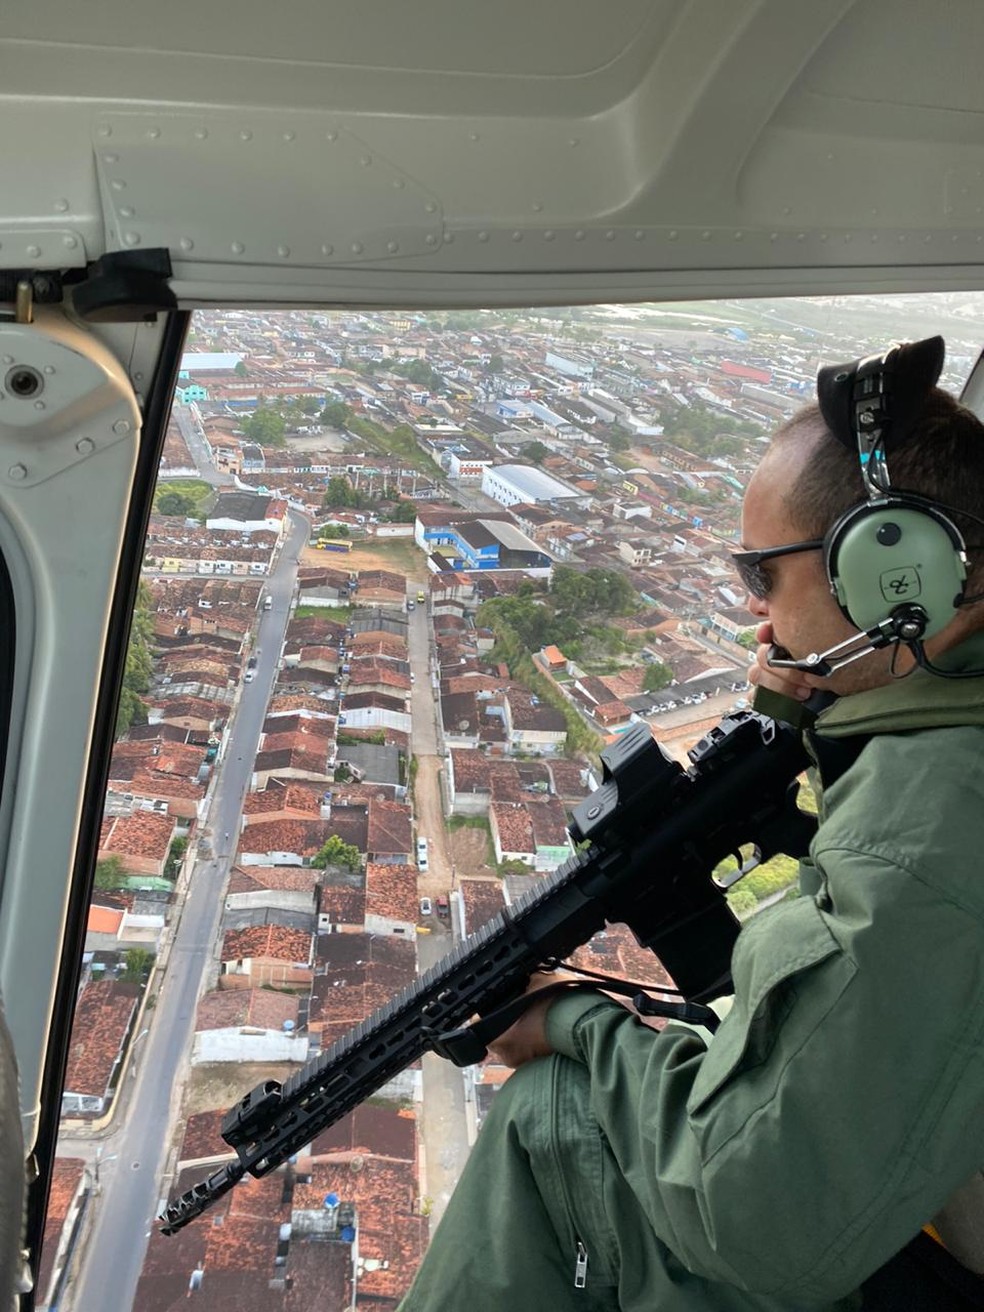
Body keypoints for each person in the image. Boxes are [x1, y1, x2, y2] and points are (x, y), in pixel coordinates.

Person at [399, 350, 984, 1311]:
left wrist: (576, 1021)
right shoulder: (943, 727)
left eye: (762, 570)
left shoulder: (922, 838)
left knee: (554, 1116)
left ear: (896, 572)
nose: (754, 605)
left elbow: (752, 1223)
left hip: (904, 1259)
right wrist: (812, 702)